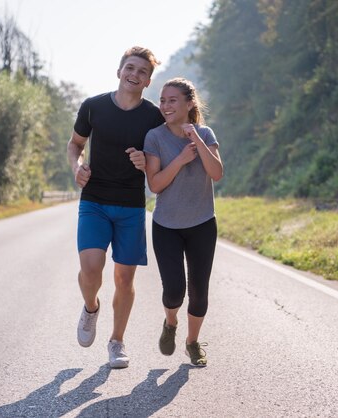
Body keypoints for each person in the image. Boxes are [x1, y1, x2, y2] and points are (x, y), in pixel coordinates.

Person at [67, 46, 165, 369]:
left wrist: (145, 161)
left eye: (142, 72)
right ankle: (91, 307)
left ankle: (117, 341)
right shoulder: (93, 107)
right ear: (119, 70)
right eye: (130, 68)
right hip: (94, 200)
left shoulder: (153, 116)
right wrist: (76, 167)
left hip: (130, 205)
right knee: (91, 269)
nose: (134, 75)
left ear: (148, 81)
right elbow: (75, 145)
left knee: (124, 279)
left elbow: (160, 155)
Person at [143, 78, 223, 367]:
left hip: (202, 223)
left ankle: (192, 342)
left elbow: (216, 173)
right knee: (174, 290)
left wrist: (197, 141)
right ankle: (170, 322)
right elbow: (155, 185)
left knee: (199, 290)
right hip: (166, 225)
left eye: (172, 100)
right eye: (163, 100)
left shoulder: (205, 133)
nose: (165, 105)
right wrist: (179, 159)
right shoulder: (154, 137)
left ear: (189, 104)